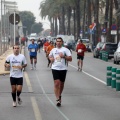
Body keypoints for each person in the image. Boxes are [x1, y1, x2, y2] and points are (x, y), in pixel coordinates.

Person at [49, 37, 72, 107]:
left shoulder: (66, 50)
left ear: (62, 42)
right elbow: (50, 56)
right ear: (56, 42)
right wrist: (51, 59)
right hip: (55, 68)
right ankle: (58, 98)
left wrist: (64, 56)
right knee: (56, 83)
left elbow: (70, 59)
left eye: (60, 41)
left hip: (63, 69)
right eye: (57, 41)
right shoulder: (53, 50)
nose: (58, 42)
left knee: (61, 84)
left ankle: (59, 95)